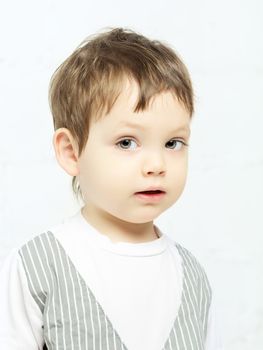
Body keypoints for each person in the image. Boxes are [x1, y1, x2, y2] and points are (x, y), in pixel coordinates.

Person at [0, 27, 223, 350]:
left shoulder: (192, 277)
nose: (156, 164)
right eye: (127, 142)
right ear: (71, 152)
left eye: (173, 142)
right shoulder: (36, 266)